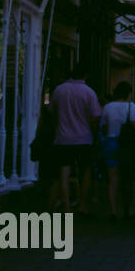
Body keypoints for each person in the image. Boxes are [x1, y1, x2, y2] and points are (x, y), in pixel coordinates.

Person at [51, 63, 102, 215]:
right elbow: (95, 117)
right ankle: (82, 204)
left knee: (64, 171)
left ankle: (66, 206)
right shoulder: (89, 92)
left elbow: (52, 112)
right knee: (85, 170)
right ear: (85, 75)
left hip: (63, 138)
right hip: (84, 138)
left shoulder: (59, 90)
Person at [98, 82, 135, 221]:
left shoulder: (107, 107)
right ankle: (128, 211)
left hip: (111, 142)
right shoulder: (132, 106)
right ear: (128, 93)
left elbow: (103, 128)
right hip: (127, 144)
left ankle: (113, 211)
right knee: (128, 178)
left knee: (113, 178)